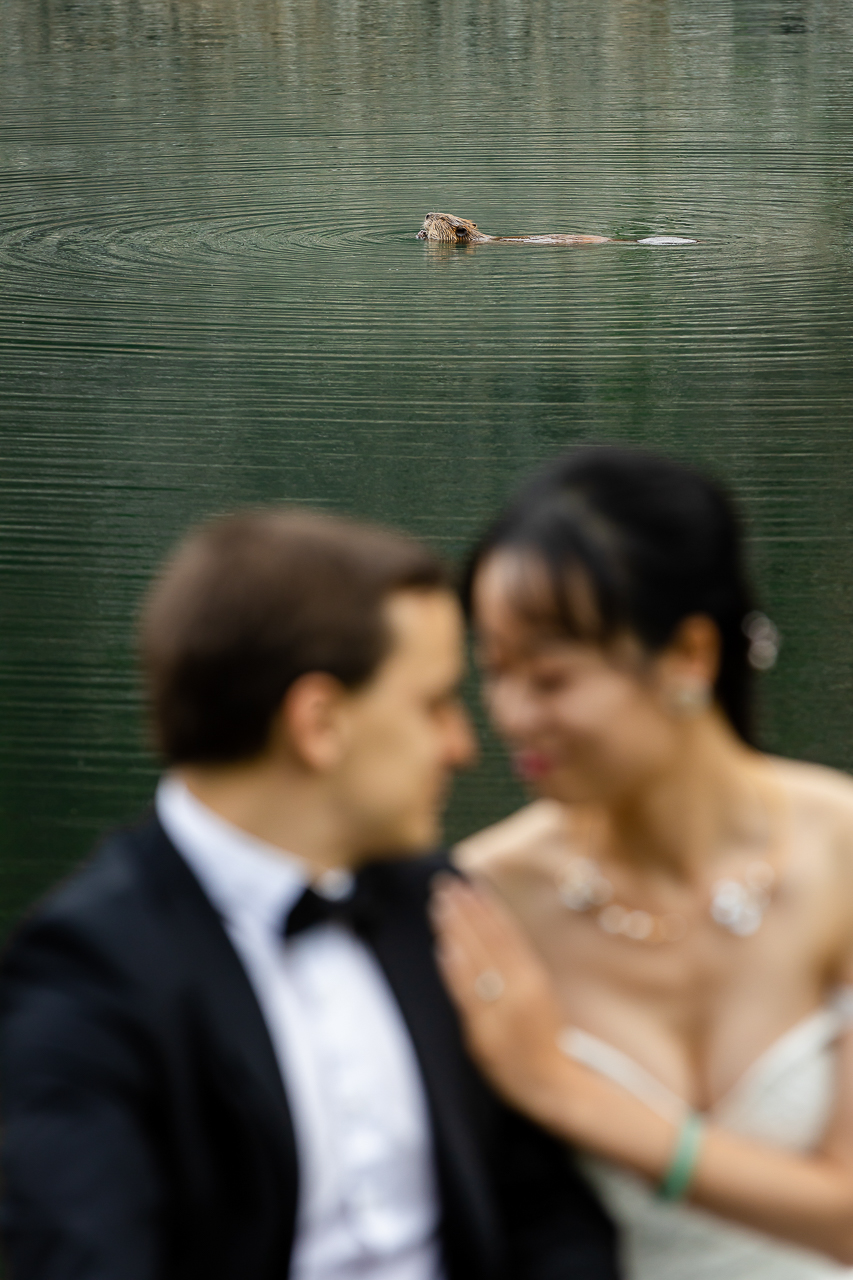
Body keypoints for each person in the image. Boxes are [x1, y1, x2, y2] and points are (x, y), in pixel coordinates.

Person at [0, 508, 619, 1280]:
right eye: (432, 705)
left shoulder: (441, 907)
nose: (461, 745)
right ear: (319, 723)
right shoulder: (85, 972)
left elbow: (550, 1219)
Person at [430, 446, 853, 1279]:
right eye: (494, 673)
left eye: (549, 678)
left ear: (688, 657)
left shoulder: (842, 853)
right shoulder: (484, 901)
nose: (510, 717)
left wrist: (560, 1088)